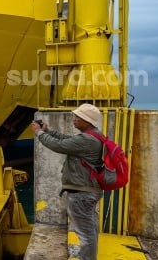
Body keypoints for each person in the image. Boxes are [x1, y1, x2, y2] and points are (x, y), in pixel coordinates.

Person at [30, 103, 104, 260]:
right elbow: (66, 139)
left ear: (87, 120)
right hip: (87, 191)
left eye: (77, 117)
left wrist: (39, 133)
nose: (74, 119)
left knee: (85, 233)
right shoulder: (93, 136)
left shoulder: (87, 140)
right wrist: (48, 130)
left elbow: (58, 145)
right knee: (89, 229)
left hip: (81, 193)